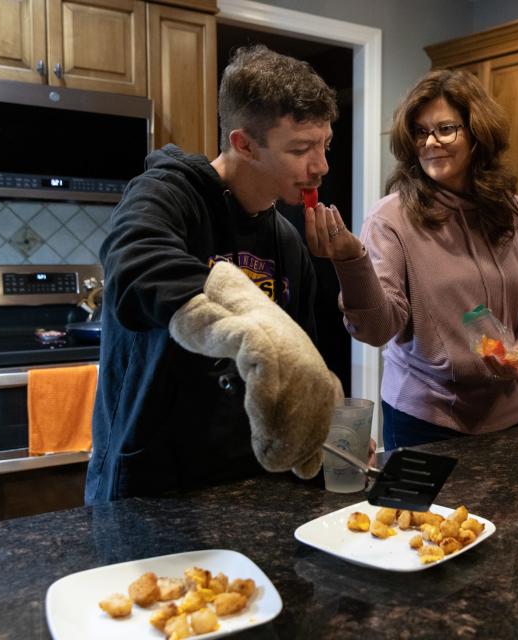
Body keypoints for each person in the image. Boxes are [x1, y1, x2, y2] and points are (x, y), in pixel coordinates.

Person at [85, 45, 341, 504]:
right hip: (154, 481)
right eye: (301, 149)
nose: (321, 166)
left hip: (250, 479)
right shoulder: (168, 194)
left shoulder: (286, 240)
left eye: (325, 144)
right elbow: (134, 266)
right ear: (243, 143)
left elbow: (296, 359)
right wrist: (243, 320)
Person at [305, 69, 518, 449]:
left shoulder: (517, 215)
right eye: (421, 132)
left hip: (510, 417)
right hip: (423, 419)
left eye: (445, 129)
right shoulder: (390, 218)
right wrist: (352, 259)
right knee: (418, 513)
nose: (430, 143)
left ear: (477, 134)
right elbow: (376, 330)